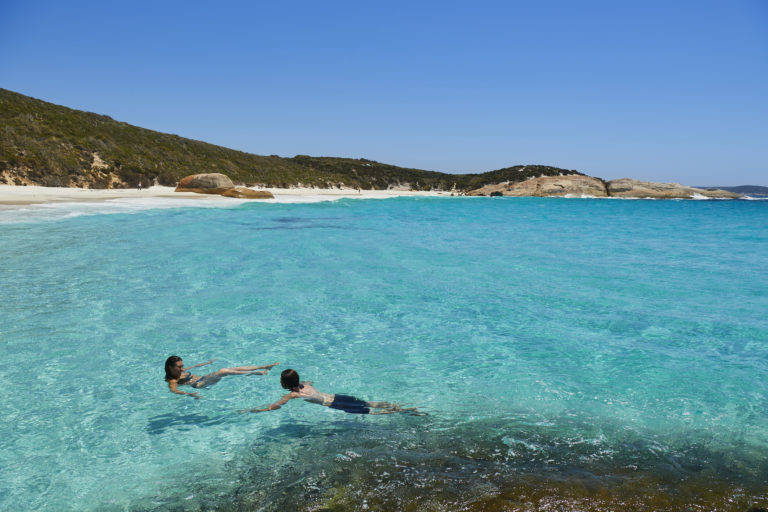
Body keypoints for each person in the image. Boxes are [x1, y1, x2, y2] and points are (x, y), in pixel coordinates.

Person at [244, 369, 418, 415]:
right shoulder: (304, 384)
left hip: (334, 403)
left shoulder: (293, 394)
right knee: (368, 403)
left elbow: (277, 406)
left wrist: (260, 409)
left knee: (370, 412)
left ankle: (403, 411)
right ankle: (403, 407)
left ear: (284, 383)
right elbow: (310, 382)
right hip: (337, 396)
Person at [164, 356, 279, 398]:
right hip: (199, 384)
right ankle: (257, 373)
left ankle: (263, 367)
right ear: (170, 367)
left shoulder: (181, 371)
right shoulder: (173, 380)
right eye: (179, 367)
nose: (182, 368)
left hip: (203, 377)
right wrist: (189, 394)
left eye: (182, 366)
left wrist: (207, 363)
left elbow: (194, 366)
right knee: (224, 371)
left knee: (232, 369)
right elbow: (174, 390)